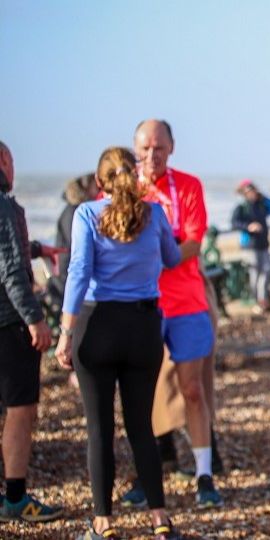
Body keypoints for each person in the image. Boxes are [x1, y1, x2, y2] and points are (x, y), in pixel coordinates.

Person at [54, 147, 183, 540]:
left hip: (97, 325)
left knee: (99, 429)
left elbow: (78, 273)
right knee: (141, 427)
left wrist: (64, 332)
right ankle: (160, 520)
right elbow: (173, 258)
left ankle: (103, 523)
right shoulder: (155, 214)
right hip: (143, 326)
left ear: (99, 182)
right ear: (134, 176)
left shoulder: (86, 215)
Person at [121, 119, 224, 509]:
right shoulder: (124, 186)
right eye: (145, 149)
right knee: (141, 393)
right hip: (141, 303)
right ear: (135, 149)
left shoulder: (189, 185)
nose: (152, 156)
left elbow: (194, 243)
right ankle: (145, 477)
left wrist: (156, 256)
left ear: (172, 147)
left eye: (159, 148)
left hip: (187, 302)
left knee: (194, 389)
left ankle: (205, 474)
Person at [0, 140, 64, 522]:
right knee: (20, 411)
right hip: (8, 322)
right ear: (4, 161)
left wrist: (38, 249)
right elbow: (9, 270)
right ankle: (17, 498)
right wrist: (34, 319)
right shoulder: (5, 204)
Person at [48, 173, 98, 306]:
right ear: (87, 188)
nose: (99, 190)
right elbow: (78, 249)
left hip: (69, 276)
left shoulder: (76, 210)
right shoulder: (75, 212)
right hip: (66, 279)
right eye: (96, 186)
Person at [231, 179, 270, 313]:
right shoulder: (241, 208)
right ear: (244, 193)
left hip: (264, 244)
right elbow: (234, 223)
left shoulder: (261, 205)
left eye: (253, 191)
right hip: (250, 246)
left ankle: (263, 300)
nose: (252, 194)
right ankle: (257, 301)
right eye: (249, 191)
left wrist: (264, 197)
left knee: (266, 271)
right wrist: (248, 227)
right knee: (255, 274)